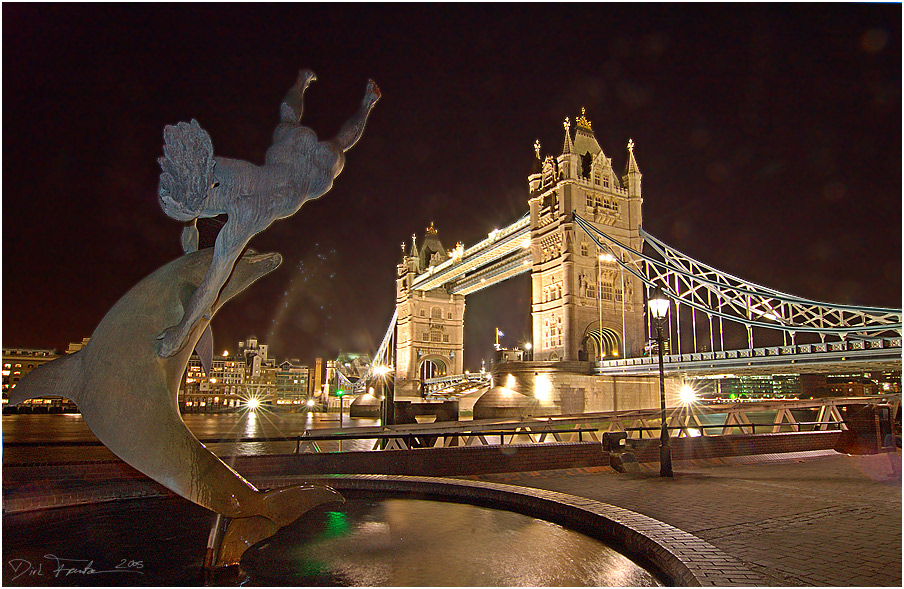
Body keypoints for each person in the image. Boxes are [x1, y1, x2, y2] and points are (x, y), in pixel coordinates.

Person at [156, 70, 380, 357]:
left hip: (298, 177)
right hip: (285, 167)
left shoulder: (244, 214)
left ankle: (359, 99)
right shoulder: (232, 178)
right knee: (295, 124)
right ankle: (307, 82)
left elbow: (213, 282)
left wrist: (181, 330)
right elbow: (196, 173)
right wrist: (189, 231)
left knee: (335, 142)